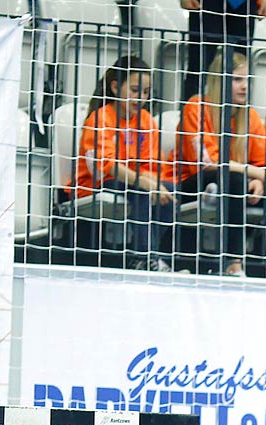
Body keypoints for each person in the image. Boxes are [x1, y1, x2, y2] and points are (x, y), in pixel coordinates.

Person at [177, 51, 266, 276]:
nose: (244, 86)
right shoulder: (196, 106)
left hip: (235, 184)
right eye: (237, 79)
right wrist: (260, 173)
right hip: (190, 181)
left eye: (246, 80)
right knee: (233, 179)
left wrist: (260, 181)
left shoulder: (250, 117)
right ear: (220, 80)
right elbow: (207, 161)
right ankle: (233, 263)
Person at [73, 56, 177, 271]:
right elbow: (106, 165)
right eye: (135, 90)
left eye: (146, 92)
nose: (141, 98)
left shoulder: (147, 120)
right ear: (114, 87)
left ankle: (152, 254)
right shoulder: (100, 118)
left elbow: (151, 165)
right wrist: (146, 183)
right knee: (141, 190)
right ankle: (142, 256)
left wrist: (155, 184)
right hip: (96, 183)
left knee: (171, 191)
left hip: (131, 182)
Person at [180, 0, 265, 101]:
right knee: (198, 66)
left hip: (243, 3)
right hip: (206, 4)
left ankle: (237, 115)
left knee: (240, 66)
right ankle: (191, 114)